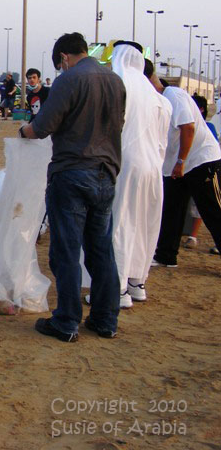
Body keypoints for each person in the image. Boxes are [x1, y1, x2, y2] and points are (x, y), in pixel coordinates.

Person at [20, 32, 126, 341]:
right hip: (106, 174)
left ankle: (66, 321)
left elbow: (43, 126)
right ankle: (106, 320)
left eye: (59, 65)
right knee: (101, 250)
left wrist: (26, 131)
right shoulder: (114, 81)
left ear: (64, 57)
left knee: (66, 250)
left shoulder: (69, 80)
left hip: (72, 173)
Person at [94, 48, 170, 308]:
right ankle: (137, 283)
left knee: (119, 225)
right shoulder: (158, 97)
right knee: (144, 226)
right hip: (152, 169)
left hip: (127, 165)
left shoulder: (120, 84)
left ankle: (118, 289)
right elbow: (162, 142)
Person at [150, 74, 221, 266]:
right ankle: (166, 256)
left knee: (213, 211)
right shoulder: (157, 103)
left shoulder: (174, 95)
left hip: (200, 160)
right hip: (176, 167)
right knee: (172, 210)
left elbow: (188, 128)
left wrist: (181, 161)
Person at [183, 94, 217, 250]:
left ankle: (193, 236)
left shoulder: (207, 127)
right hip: (188, 168)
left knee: (209, 209)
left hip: (203, 166)